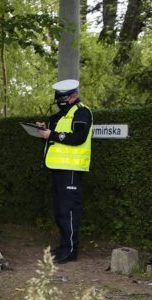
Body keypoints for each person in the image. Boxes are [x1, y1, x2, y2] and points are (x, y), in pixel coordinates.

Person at [36, 79, 93, 264]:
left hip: (72, 169)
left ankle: (70, 251)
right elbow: (54, 141)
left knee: (69, 211)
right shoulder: (60, 116)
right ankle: (64, 247)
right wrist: (44, 132)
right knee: (60, 211)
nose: (60, 101)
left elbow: (78, 138)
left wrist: (51, 134)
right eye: (58, 98)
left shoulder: (82, 112)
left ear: (74, 96)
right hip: (58, 168)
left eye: (64, 97)